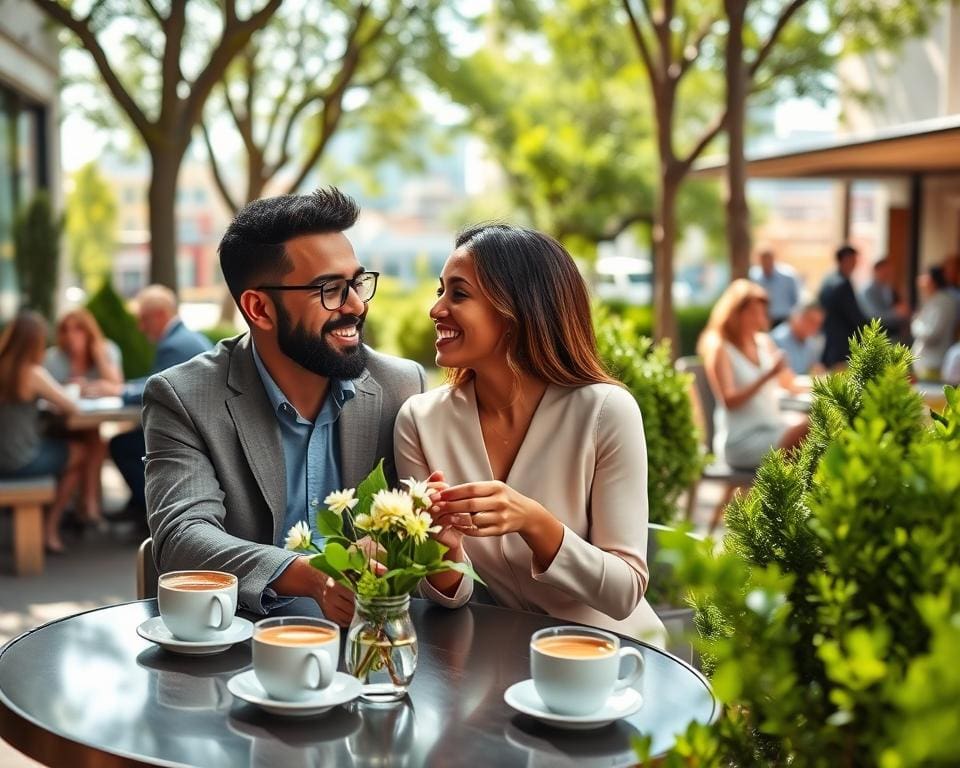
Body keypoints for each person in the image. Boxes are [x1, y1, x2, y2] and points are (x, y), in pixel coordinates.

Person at [142, 188, 425, 626]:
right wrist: (309, 575)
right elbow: (182, 538)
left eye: (357, 283)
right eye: (330, 289)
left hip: (372, 640)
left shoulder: (401, 386)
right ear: (259, 308)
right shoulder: (183, 397)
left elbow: (422, 543)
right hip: (243, 640)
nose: (356, 305)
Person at [394, 224, 666, 646]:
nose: (436, 309)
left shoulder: (605, 411)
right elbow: (445, 596)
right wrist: (444, 551)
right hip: (499, 659)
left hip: (613, 654)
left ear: (515, 312)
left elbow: (625, 591)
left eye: (459, 294)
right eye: (440, 291)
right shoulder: (420, 420)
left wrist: (535, 522)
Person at [83, 285, 213, 524]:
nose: (141, 327)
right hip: (200, 430)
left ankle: (150, 513)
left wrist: (119, 391)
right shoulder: (188, 338)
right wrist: (123, 388)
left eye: (144, 319)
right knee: (129, 439)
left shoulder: (174, 345)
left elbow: (158, 388)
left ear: (161, 315)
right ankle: (140, 507)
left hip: (190, 435)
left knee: (122, 445)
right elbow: (158, 380)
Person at [697, 279, 808, 471]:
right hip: (742, 441)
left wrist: (826, 385)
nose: (758, 318)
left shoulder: (764, 342)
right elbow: (728, 400)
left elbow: (789, 383)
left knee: (817, 423)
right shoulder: (721, 348)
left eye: (761, 312)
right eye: (752, 312)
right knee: (809, 430)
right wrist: (767, 376)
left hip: (772, 428)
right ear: (734, 313)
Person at [0, 311, 84, 553]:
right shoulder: (32, 372)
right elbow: (72, 406)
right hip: (19, 460)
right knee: (79, 452)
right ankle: (50, 529)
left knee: (56, 444)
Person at [44, 308, 124, 526]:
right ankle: (89, 506)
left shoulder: (106, 349)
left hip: (88, 420)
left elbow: (118, 387)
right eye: (66, 330)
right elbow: (48, 396)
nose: (71, 335)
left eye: (78, 329)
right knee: (92, 442)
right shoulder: (54, 357)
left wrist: (98, 356)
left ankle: (88, 506)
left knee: (95, 439)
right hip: (59, 425)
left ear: (89, 331)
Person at [818, 243, 868, 369]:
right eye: (854, 260)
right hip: (842, 343)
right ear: (846, 260)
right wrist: (872, 330)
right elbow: (854, 316)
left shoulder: (828, 279)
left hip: (830, 338)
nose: (856, 263)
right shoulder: (841, 284)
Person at [911, 266, 958, 380]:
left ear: (931, 280)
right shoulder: (938, 299)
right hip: (929, 362)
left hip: (932, 362)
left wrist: (915, 323)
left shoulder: (941, 302)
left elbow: (931, 334)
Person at [859, 257, 910, 342]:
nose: (889, 274)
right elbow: (873, 315)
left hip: (893, 333)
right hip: (876, 335)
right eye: (886, 272)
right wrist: (896, 313)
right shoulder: (867, 291)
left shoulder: (887, 288)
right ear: (876, 271)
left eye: (890, 272)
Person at [748, 247, 801, 327]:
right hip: (763, 320)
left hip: (784, 319)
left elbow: (797, 300)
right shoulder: (754, 276)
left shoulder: (787, 276)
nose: (766, 262)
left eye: (768, 259)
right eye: (763, 260)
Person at [770, 300, 825, 375]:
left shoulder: (810, 343)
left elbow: (812, 368)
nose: (814, 327)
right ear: (798, 316)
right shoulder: (776, 339)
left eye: (818, 324)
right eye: (810, 321)